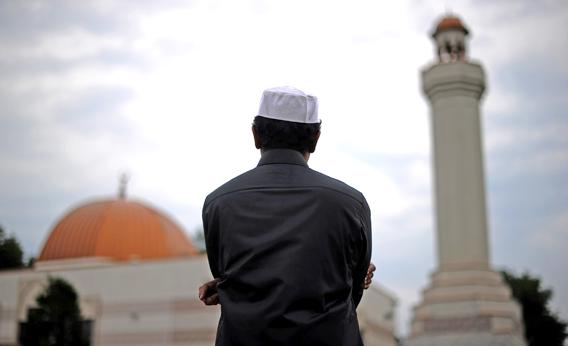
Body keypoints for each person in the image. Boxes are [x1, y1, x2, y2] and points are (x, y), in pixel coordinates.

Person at [199, 86, 375, 346]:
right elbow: (354, 288)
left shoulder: (218, 202)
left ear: (255, 135)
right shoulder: (351, 203)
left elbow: (225, 273)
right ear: (315, 139)